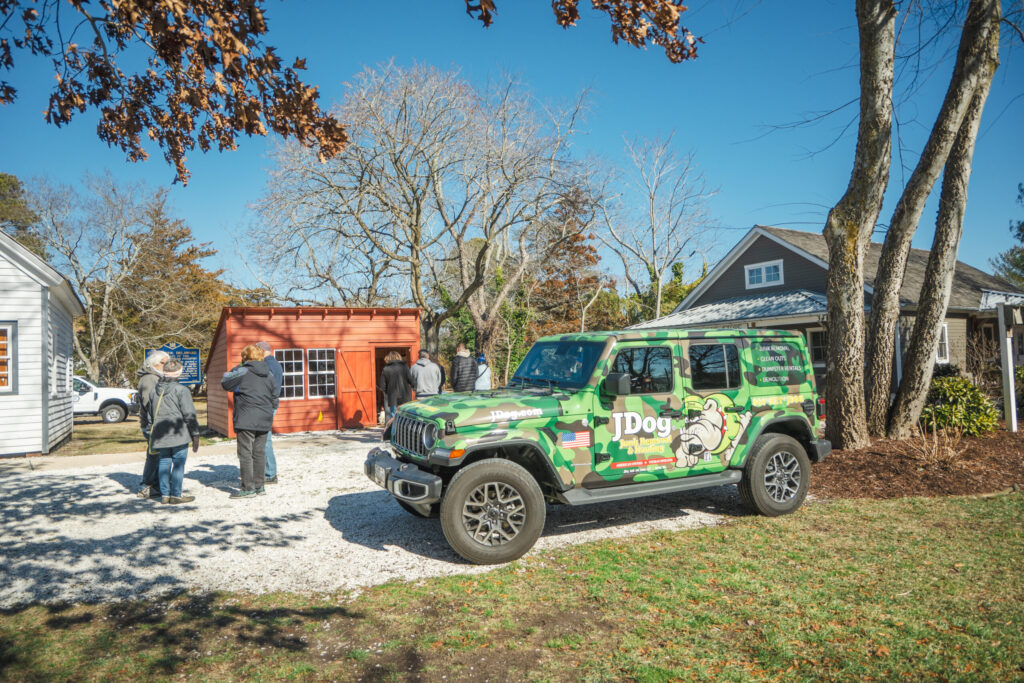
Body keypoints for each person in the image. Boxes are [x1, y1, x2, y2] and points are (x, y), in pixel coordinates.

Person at [221, 344, 279, 499]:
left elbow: (225, 382)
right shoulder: (268, 373)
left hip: (246, 417)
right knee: (259, 452)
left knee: (245, 453)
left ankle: (248, 488)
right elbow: (274, 396)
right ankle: (259, 486)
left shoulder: (242, 371)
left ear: (244, 357)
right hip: (264, 417)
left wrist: (240, 366)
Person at [147, 358, 200, 505]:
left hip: (160, 432)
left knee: (164, 461)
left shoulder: (154, 391)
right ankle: (175, 494)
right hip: (178, 432)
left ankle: (165, 494)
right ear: (179, 373)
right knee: (178, 463)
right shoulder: (182, 390)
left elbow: (150, 414)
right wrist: (195, 433)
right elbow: (189, 414)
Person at [136, 349, 169, 499]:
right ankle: (146, 487)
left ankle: (156, 486)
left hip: (157, 423)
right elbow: (150, 403)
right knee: (154, 456)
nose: (168, 366)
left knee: (157, 455)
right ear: (156, 364)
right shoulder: (150, 379)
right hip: (153, 424)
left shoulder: (157, 377)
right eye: (165, 363)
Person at [255, 341, 283, 484]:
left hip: (266, 405)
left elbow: (267, 387)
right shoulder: (276, 364)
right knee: (265, 438)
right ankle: (267, 472)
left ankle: (270, 473)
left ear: (261, 351)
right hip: (271, 404)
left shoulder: (266, 366)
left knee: (265, 439)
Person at [379, 351, 413, 419]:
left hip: (392, 397)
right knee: (405, 416)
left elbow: (382, 387)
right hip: (405, 397)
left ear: (389, 358)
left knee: (394, 417)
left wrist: (387, 392)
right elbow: (411, 381)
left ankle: (395, 429)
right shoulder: (404, 367)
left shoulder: (386, 369)